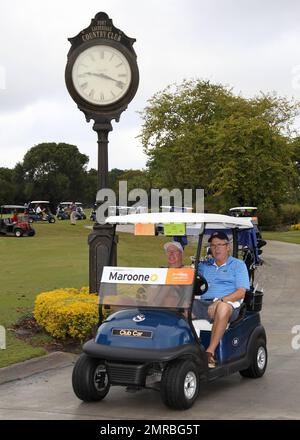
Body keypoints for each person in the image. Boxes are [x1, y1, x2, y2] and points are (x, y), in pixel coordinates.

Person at [192, 231, 250, 368]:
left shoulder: (238, 265)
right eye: (213, 245)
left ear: (227, 246)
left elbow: (241, 292)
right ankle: (184, 349)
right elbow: (191, 279)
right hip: (204, 303)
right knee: (180, 307)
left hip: (229, 304)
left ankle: (210, 353)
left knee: (222, 308)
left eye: (220, 245)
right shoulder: (205, 266)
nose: (216, 248)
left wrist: (219, 301)